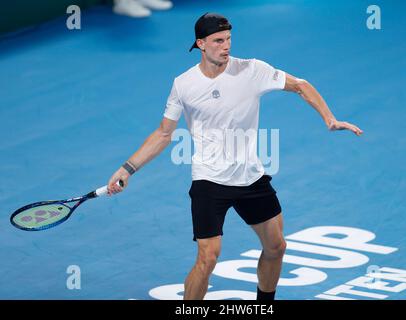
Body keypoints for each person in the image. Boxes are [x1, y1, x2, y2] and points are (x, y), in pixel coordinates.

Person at [107, 13, 363, 300]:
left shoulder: (252, 70)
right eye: (218, 41)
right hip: (209, 181)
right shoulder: (184, 84)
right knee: (208, 258)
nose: (226, 46)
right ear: (201, 44)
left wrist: (329, 118)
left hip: (250, 177)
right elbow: (164, 134)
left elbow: (300, 85)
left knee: (276, 247)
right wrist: (127, 168)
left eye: (229, 39)